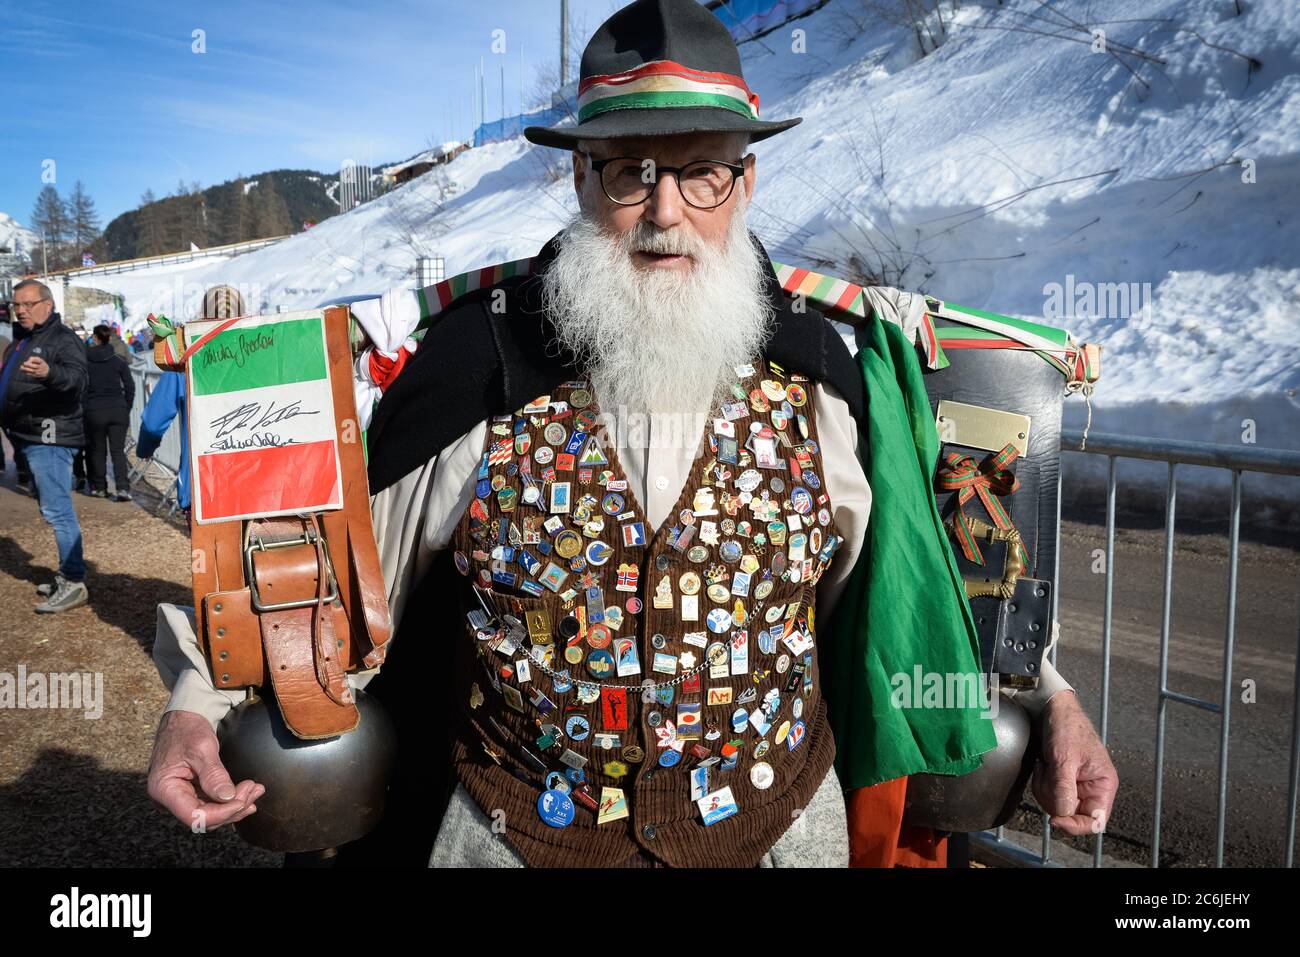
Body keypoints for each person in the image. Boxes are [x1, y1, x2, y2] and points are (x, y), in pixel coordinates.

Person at [146, 0, 1116, 867]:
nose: (664, 212)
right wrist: (197, 706)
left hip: (779, 836)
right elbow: (313, 589)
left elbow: (933, 584)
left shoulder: (827, 378)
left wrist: (1049, 697)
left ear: (744, 182)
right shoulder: (475, 365)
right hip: (511, 838)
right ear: (580, 177)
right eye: (629, 173)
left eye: (702, 174)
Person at [1, 279, 90, 613]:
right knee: (50, 507)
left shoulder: (62, 339)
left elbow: (78, 380)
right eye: (16, 305)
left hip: (49, 438)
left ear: (47, 305)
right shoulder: (26, 338)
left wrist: (50, 372)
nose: (20, 311)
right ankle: (67, 574)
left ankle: (74, 581)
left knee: (58, 511)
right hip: (30, 435)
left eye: (28, 304)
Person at [136, 285, 242, 512]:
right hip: (258, 482)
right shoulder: (262, 350)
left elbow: (154, 422)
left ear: (203, 312)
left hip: (203, 486)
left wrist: (144, 450)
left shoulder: (185, 358)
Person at [84, 323, 136, 501]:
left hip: (95, 410)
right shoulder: (118, 360)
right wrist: (126, 407)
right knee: (118, 451)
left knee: (98, 450)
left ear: (95, 338)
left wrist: (86, 407)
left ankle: (100, 487)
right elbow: (130, 386)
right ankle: (122, 488)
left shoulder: (86, 361)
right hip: (117, 409)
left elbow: (82, 387)